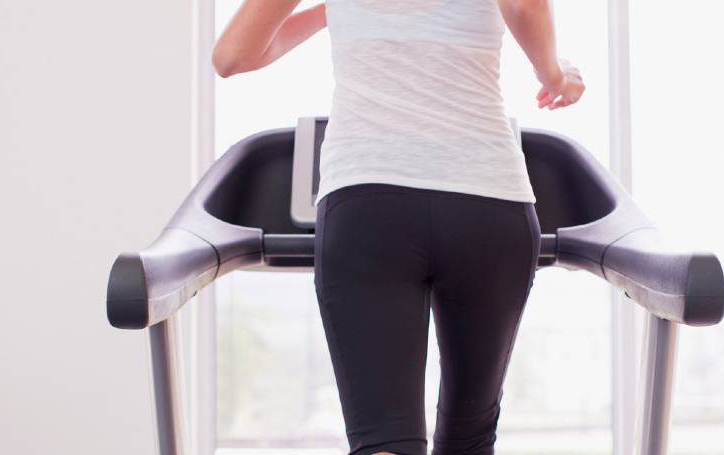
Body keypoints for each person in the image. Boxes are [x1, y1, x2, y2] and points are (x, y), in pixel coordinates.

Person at [213, 1, 585, 454]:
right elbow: (524, 4)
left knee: (383, 440)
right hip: (486, 198)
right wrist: (555, 77)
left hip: (367, 202)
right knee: (469, 438)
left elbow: (233, 56)